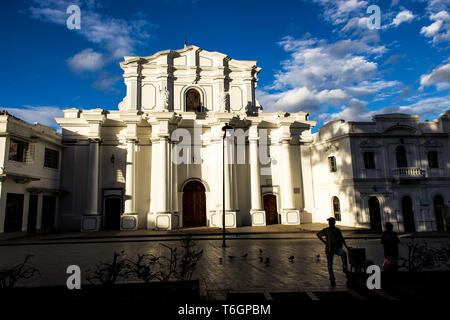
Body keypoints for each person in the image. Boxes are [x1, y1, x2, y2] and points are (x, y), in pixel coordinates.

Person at [317, 217, 349, 287]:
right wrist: (324, 242)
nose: (330, 223)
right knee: (330, 264)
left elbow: (341, 238)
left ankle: (344, 267)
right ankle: (332, 278)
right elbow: (318, 234)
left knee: (342, 254)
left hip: (335, 248)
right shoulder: (327, 230)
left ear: (334, 223)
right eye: (330, 222)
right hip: (329, 249)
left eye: (331, 222)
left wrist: (346, 246)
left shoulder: (336, 230)